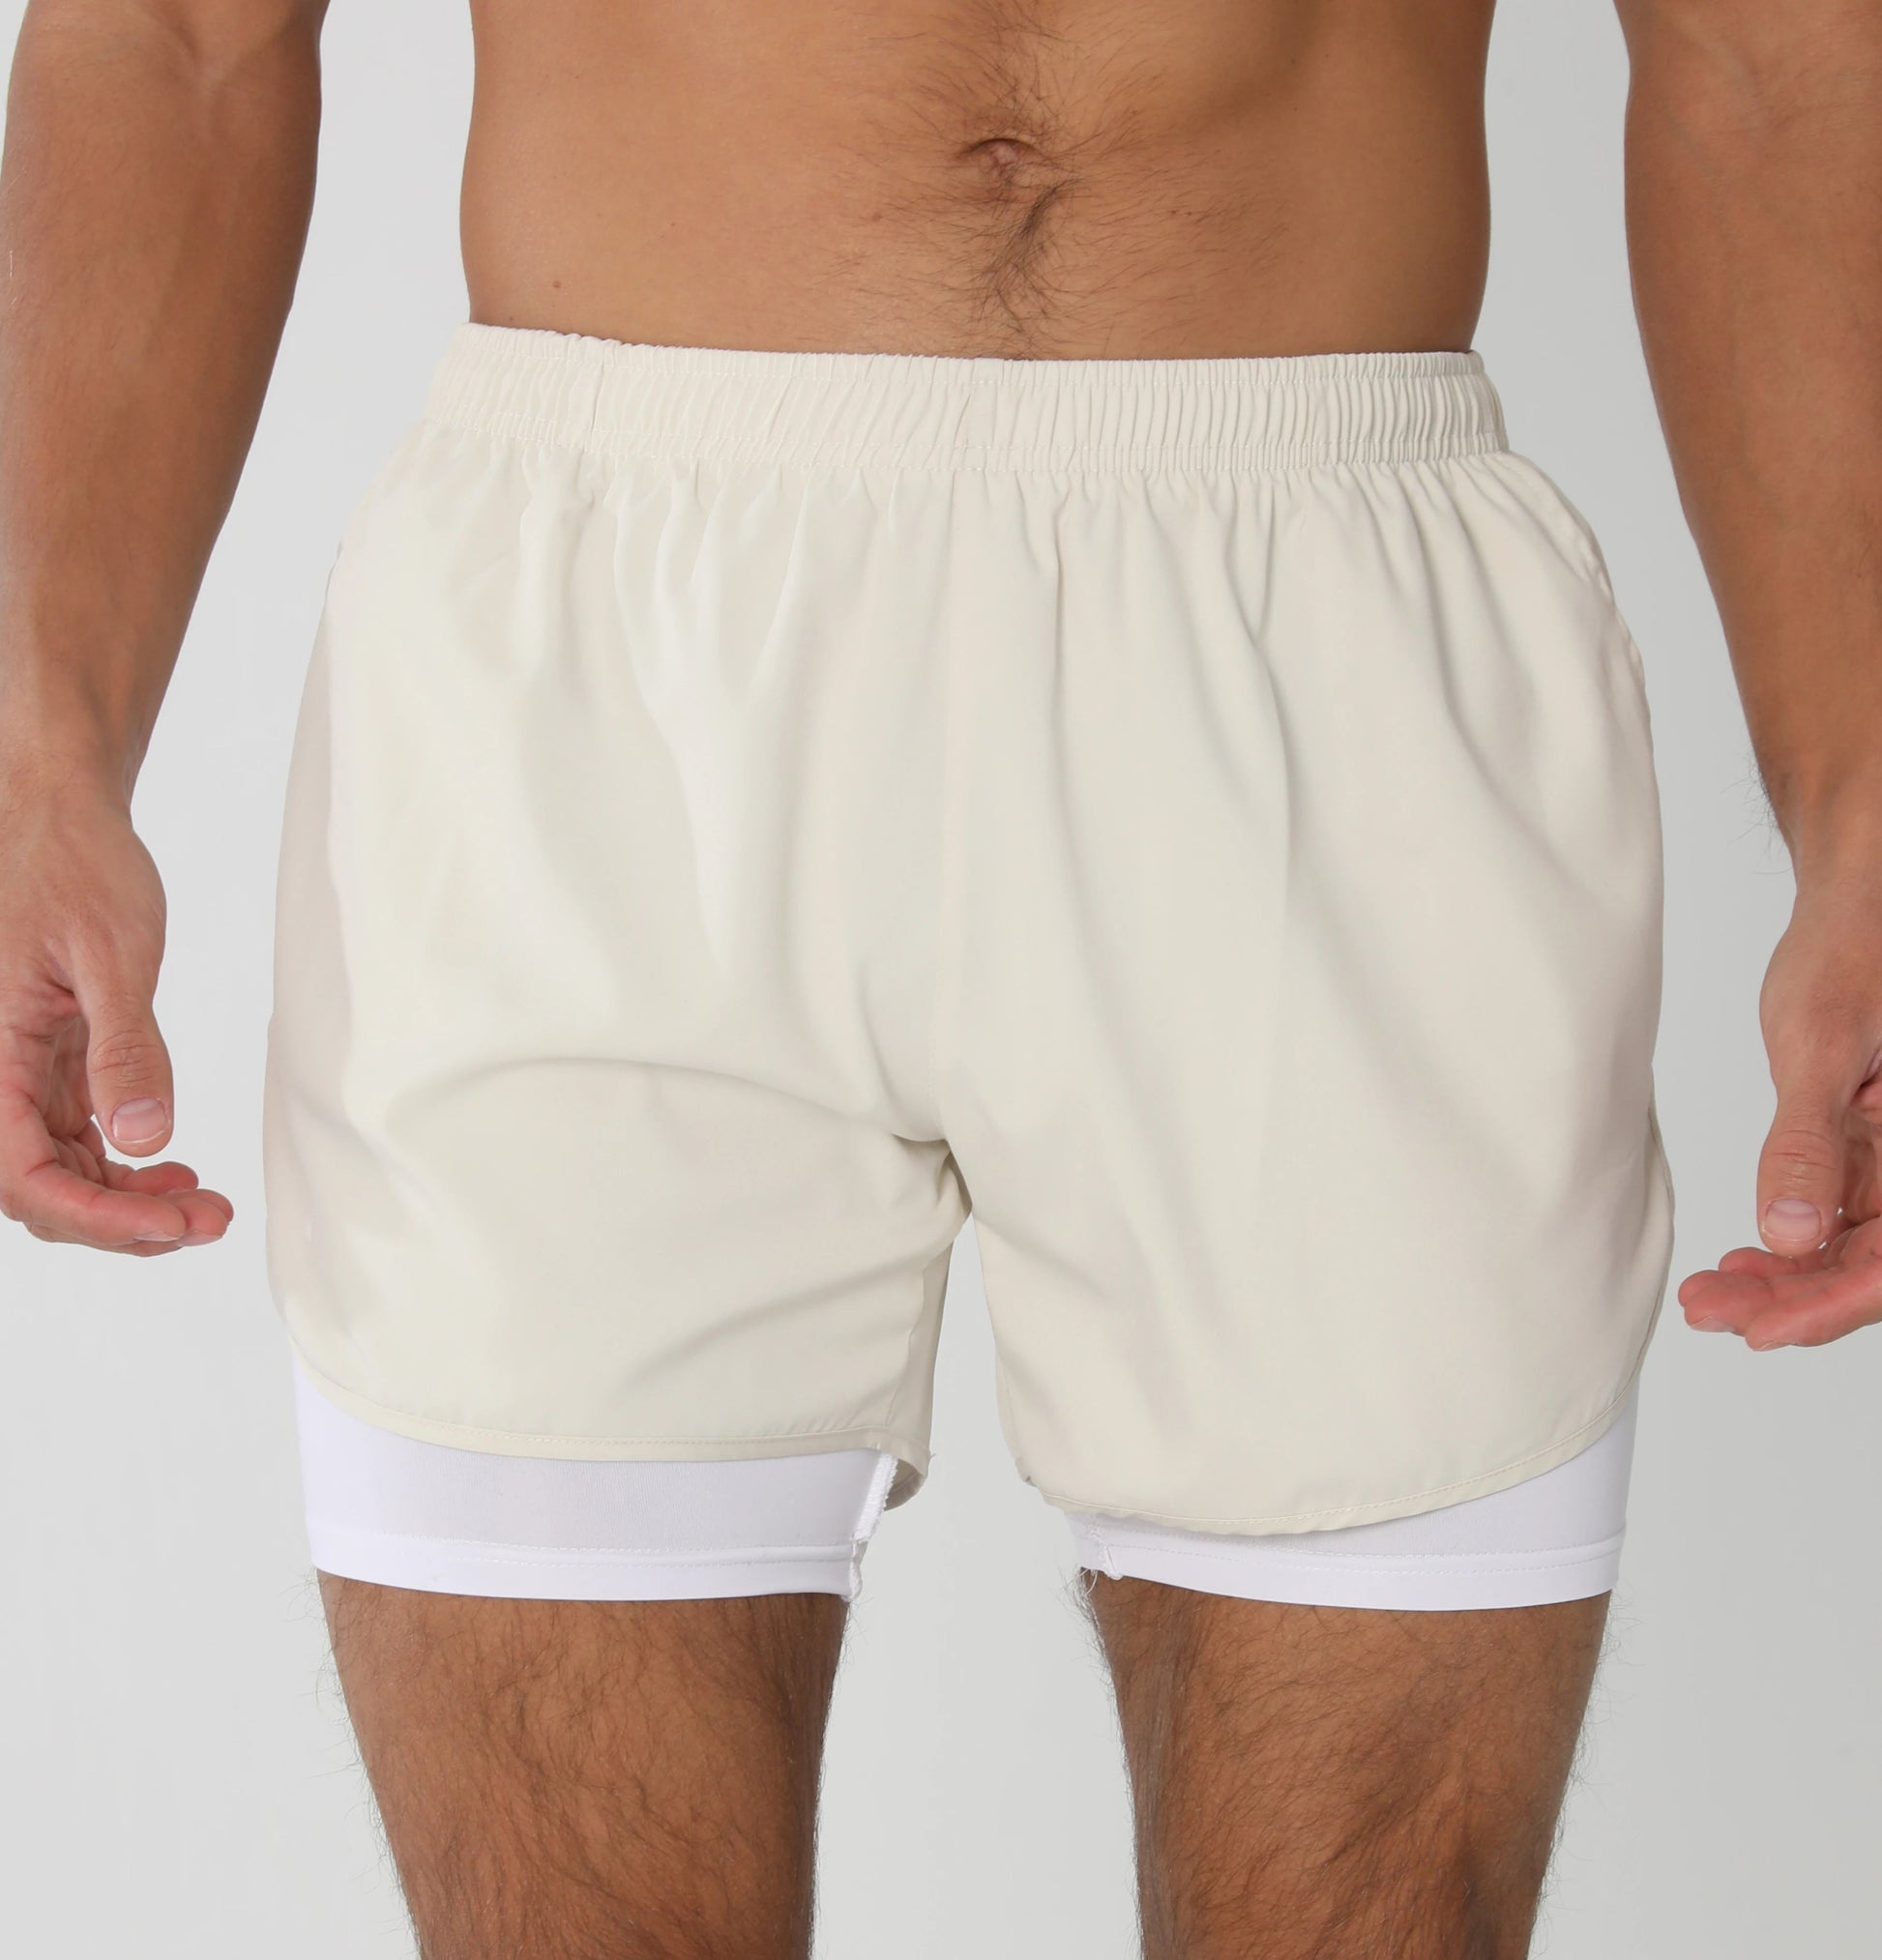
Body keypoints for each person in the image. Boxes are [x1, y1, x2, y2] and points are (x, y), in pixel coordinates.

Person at [0, 0, 1875, 1953]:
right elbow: (177, 36)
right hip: (604, 666)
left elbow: (1772, 56)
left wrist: (1859, 816)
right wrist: (44, 755)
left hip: (1333, 638)